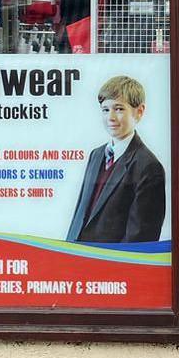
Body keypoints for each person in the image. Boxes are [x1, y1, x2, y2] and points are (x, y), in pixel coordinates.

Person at [66, 75, 166, 243]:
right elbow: (80, 216)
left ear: (139, 112)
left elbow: (140, 239)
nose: (110, 117)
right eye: (105, 109)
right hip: (78, 259)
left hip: (110, 264)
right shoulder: (96, 155)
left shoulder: (148, 167)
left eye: (119, 109)